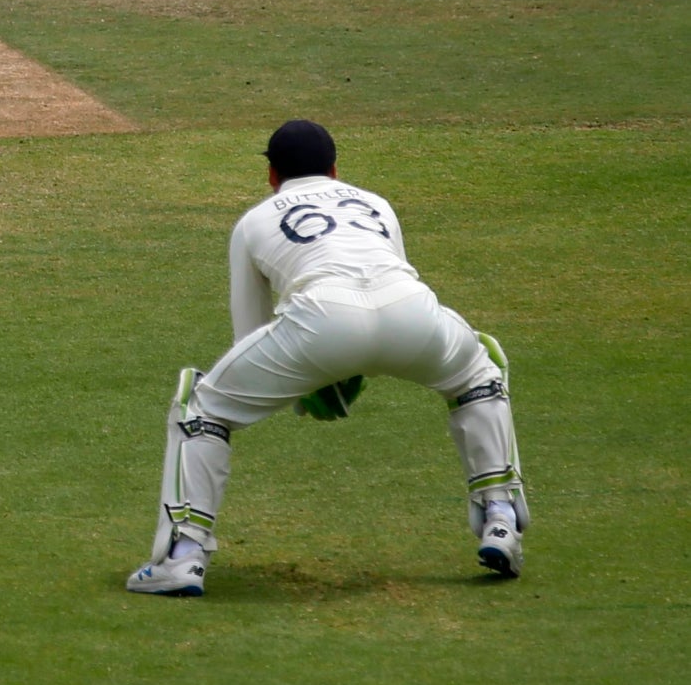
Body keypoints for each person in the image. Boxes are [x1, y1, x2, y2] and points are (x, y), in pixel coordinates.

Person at [126, 120, 530, 597]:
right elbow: (384, 294)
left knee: (204, 407)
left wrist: (307, 379)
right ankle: (500, 515)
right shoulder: (376, 203)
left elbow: (251, 335)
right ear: (336, 170)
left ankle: (183, 555)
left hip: (322, 318)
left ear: (272, 176)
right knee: (478, 372)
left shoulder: (254, 221)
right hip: (413, 310)